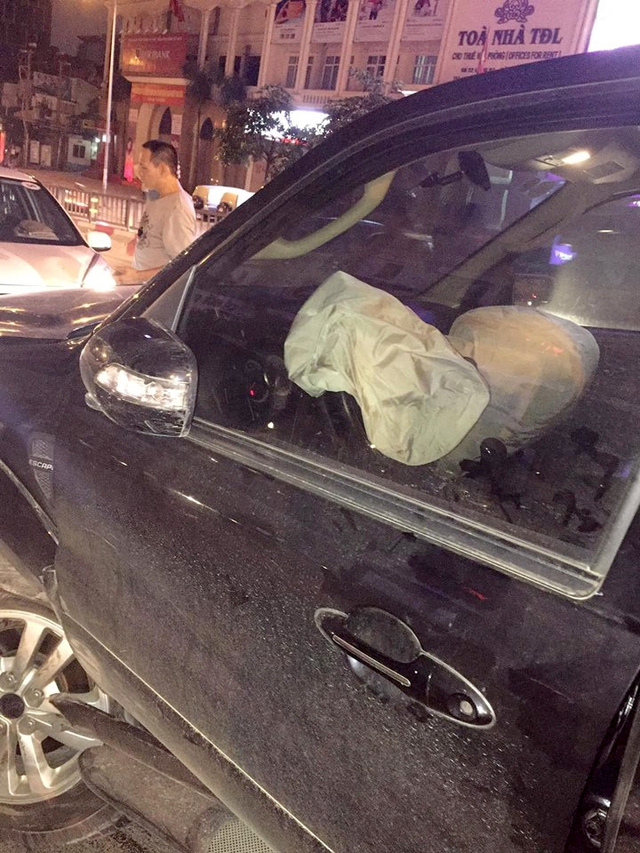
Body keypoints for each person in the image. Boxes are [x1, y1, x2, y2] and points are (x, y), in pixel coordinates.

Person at [115, 140, 196, 284]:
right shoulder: (157, 196)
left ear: (163, 169)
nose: (139, 173)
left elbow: (183, 266)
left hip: (158, 292)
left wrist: (137, 276)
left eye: (144, 168)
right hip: (144, 288)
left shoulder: (178, 208)